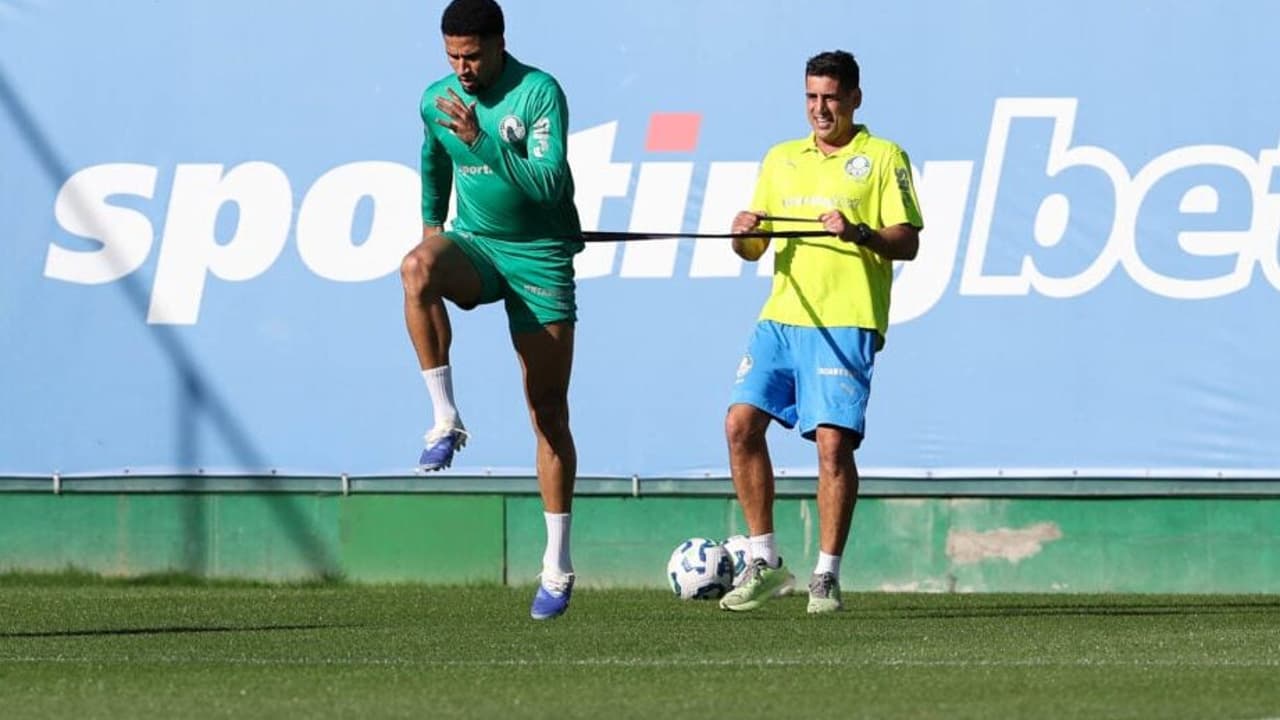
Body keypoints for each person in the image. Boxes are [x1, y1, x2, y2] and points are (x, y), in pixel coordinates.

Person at [718, 50, 923, 614]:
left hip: (846, 318)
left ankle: (826, 575)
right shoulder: (781, 159)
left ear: (855, 97)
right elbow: (752, 247)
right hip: (782, 316)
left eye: (830, 97)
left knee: (832, 445)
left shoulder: (882, 157)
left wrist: (859, 233)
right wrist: (741, 233)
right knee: (740, 424)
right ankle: (764, 561)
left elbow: (907, 239)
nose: (820, 108)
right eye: (811, 97)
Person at [399, 0, 583, 620]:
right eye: (452, 56)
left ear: (500, 44)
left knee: (548, 411)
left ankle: (556, 567)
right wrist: (433, 226)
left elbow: (549, 184)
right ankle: (444, 419)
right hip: (476, 246)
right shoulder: (436, 98)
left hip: (539, 258)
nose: (462, 68)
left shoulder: (537, 93)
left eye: (472, 56)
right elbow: (432, 158)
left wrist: (483, 139)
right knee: (416, 268)